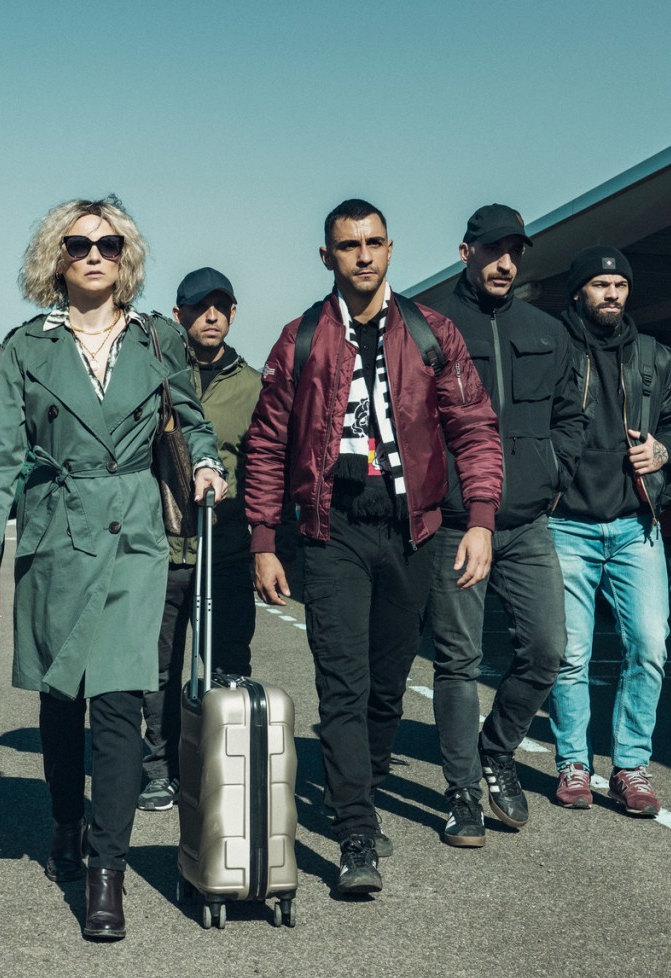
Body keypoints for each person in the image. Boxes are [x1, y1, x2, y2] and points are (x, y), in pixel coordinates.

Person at [0, 196, 225, 941]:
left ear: (125, 257)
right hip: (56, 532)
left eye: (108, 245)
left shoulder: (157, 338)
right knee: (62, 698)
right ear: (57, 257)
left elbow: (193, 421)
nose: (93, 255)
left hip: (135, 535)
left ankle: (106, 872)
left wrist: (206, 463)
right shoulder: (27, 347)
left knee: (118, 699)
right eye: (78, 244)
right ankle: (64, 821)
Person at [242, 198, 502, 895]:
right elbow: (266, 444)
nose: (363, 255)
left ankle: (365, 783)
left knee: (388, 686)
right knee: (343, 684)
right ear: (326, 256)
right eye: (349, 245)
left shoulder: (431, 332)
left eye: (374, 242)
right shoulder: (300, 339)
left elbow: (474, 426)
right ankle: (355, 833)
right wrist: (264, 538)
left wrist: (481, 519)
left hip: (413, 530)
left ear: (390, 249)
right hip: (334, 532)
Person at [423, 205, 587, 846]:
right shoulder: (428, 325)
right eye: (493, 250)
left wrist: (552, 470)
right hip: (454, 523)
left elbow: (571, 415)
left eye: (515, 251)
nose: (506, 263)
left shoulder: (547, 330)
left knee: (548, 650)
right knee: (458, 661)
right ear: (466, 252)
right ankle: (463, 793)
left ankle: (497, 750)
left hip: (525, 524)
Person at [547, 246, 671, 816]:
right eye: (600, 284)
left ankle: (630, 765)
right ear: (578, 291)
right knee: (571, 653)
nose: (612, 293)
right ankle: (573, 762)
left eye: (619, 285)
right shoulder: (554, 349)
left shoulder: (656, 357)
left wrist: (664, 450)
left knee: (651, 645)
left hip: (637, 525)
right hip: (566, 523)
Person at [137, 267, 261, 814]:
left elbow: (263, 469)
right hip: (162, 550)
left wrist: (265, 544)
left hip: (225, 548)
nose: (210, 316)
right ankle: (159, 769)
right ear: (179, 314)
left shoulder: (253, 386)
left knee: (227, 663)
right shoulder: (155, 375)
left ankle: (223, 765)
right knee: (157, 668)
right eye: (198, 307)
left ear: (232, 314)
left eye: (220, 307)